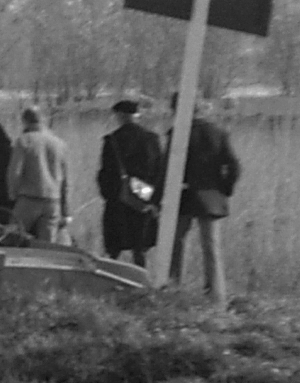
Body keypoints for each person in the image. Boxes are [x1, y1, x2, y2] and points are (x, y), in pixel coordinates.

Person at [167, 95, 241, 305]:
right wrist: (224, 189)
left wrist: (158, 198)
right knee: (211, 246)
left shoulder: (177, 133)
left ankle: (172, 287)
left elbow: (166, 169)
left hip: (182, 195)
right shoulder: (218, 133)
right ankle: (216, 295)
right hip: (211, 197)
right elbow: (234, 166)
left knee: (176, 243)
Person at [96, 100, 165, 267]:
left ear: (120, 116)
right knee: (140, 246)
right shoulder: (152, 139)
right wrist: (155, 199)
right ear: (137, 115)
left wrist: (109, 195)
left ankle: (109, 275)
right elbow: (160, 172)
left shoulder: (112, 140)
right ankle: (141, 277)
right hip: (144, 197)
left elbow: (105, 173)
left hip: (117, 198)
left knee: (114, 247)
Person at [7, 105, 70, 243]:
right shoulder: (59, 143)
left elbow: (15, 172)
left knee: (14, 238)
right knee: (47, 245)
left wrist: (13, 193)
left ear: (24, 121)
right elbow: (65, 180)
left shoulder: (23, 141)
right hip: (53, 201)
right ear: (43, 120)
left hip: (28, 199)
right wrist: (65, 210)